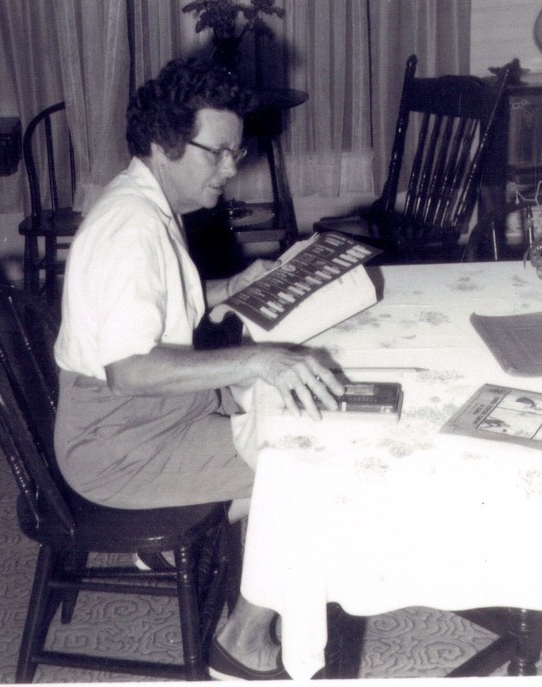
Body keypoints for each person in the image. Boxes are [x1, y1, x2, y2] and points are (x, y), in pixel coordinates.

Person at [53, 57, 343, 680]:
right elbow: (128, 369)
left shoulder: (140, 203)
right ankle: (243, 641)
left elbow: (150, 309)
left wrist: (231, 285)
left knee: (291, 423)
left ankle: (220, 555)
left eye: (235, 152)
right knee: (309, 467)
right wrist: (259, 358)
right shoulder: (132, 228)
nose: (232, 168)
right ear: (164, 143)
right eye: (218, 153)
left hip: (141, 424)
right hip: (122, 448)